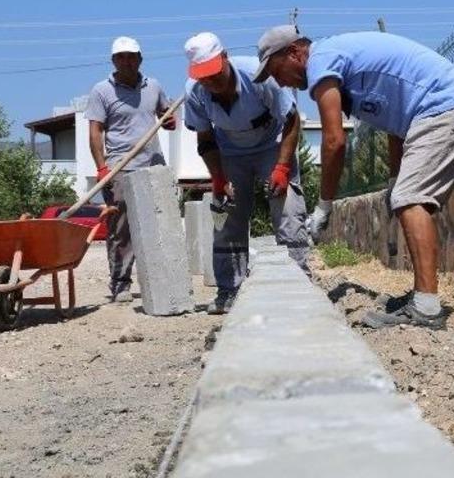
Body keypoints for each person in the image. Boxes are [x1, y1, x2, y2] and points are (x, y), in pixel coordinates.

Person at [254, 25, 454, 329]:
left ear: (295, 53)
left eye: (275, 70)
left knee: (411, 199)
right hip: (450, 108)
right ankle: (422, 295)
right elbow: (397, 122)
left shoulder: (322, 59)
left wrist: (324, 205)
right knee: (410, 198)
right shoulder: (342, 64)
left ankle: (427, 308)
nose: (280, 82)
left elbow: (334, 140)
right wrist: (393, 181)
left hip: (445, 108)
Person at [183, 32, 310, 315]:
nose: (211, 82)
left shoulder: (258, 76)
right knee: (228, 215)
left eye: (214, 73)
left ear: (225, 58)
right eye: (203, 76)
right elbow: (205, 139)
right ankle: (229, 290)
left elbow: (292, 121)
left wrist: (281, 167)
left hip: (272, 146)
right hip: (230, 152)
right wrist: (217, 179)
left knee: (287, 206)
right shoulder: (194, 92)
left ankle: (298, 283)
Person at [85, 36, 176, 303]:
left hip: (153, 166)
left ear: (140, 58)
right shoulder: (102, 91)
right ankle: (120, 283)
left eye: (132, 56)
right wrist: (102, 169)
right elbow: (95, 131)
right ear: (114, 61)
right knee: (121, 229)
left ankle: (162, 279)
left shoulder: (154, 86)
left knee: (159, 224)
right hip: (120, 168)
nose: (127, 61)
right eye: (121, 57)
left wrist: (169, 120)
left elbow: (165, 113)